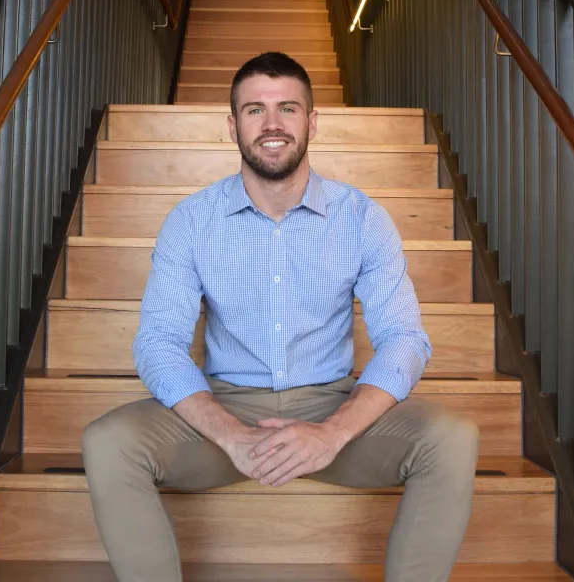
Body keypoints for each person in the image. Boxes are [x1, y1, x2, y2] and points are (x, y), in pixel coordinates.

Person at [82, 51, 480, 582]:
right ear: (232, 126)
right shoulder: (192, 220)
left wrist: (332, 433)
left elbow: (405, 339)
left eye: (288, 108)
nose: (272, 124)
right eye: (254, 110)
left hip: (330, 404)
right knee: (108, 441)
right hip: (226, 406)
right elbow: (158, 343)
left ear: (312, 122)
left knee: (452, 438)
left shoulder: (362, 218)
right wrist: (231, 435)